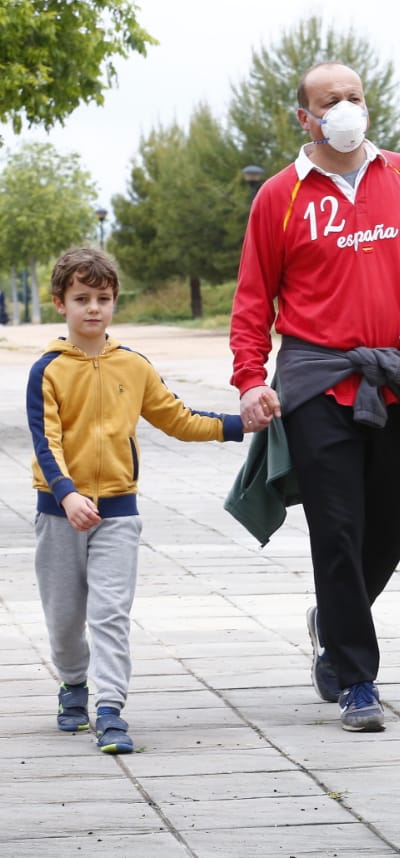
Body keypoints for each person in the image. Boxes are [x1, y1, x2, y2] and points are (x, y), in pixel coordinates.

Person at [230, 61, 400, 733]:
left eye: (354, 96)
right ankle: (356, 678)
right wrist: (249, 381)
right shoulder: (279, 197)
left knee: (391, 522)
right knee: (337, 529)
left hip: (396, 380)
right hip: (316, 383)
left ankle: (332, 619)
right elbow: (251, 301)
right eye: (331, 101)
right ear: (307, 118)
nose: (347, 108)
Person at [29, 248, 247, 754]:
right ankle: (73, 683)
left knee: (109, 612)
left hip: (119, 513)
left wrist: (237, 426)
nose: (93, 309)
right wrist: (66, 496)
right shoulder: (47, 370)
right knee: (64, 620)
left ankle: (109, 710)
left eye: (103, 298)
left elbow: (177, 417)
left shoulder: (134, 364)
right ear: (61, 302)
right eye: (81, 298)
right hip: (59, 515)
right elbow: (46, 443)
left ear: (114, 302)